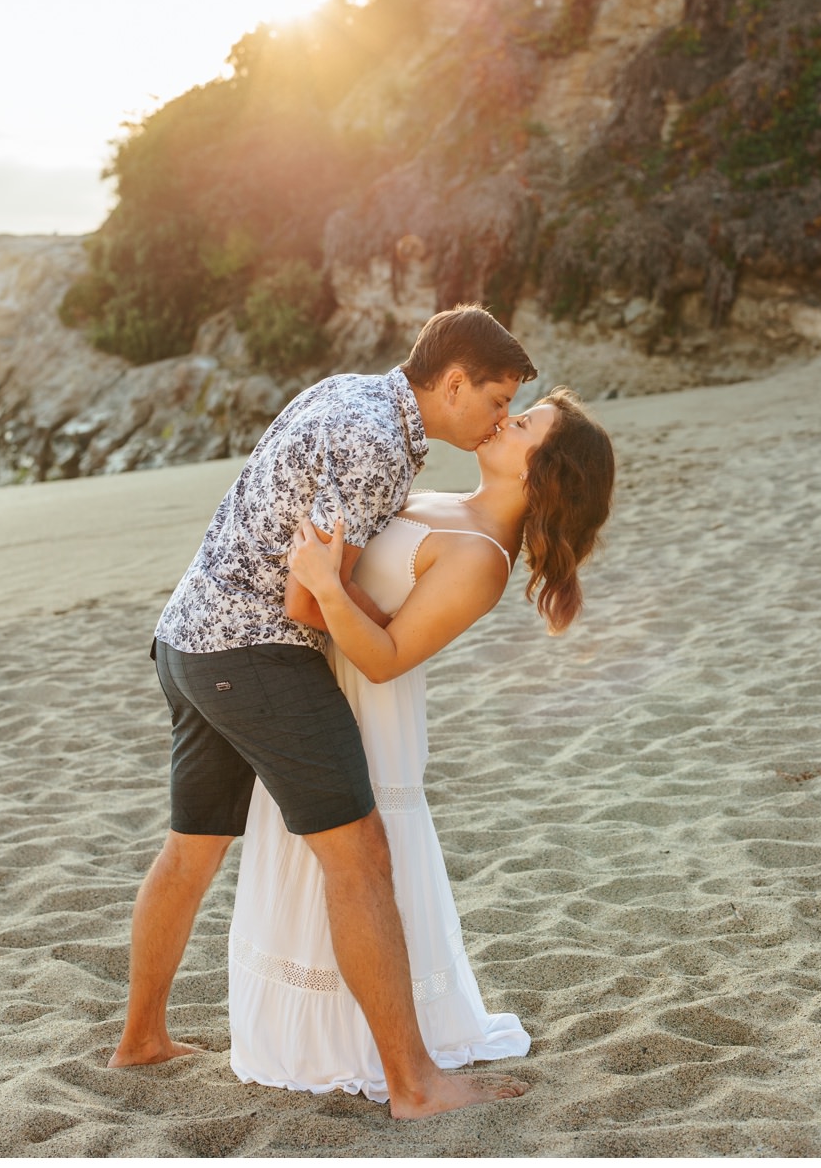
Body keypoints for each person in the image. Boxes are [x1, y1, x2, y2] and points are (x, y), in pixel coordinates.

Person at [110, 304, 540, 1120]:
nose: (496, 420)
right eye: (494, 400)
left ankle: (141, 1040)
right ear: (453, 383)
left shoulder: (347, 394)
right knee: (362, 857)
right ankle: (415, 1085)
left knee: (190, 851)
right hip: (255, 657)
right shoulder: (378, 446)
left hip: (189, 635)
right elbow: (309, 602)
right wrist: (388, 634)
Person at [230, 388, 614, 1102]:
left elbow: (385, 657)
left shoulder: (482, 560)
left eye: (524, 422)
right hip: (318, 682)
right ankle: (318, 1039)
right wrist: (327, 580)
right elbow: (374, 595)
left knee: (356, 867)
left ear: (544, 472)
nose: (506, 417)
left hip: (368, 708)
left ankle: (375, 1051)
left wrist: (323, 584)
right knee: (316, 864)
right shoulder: (446, 500)